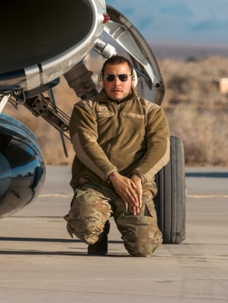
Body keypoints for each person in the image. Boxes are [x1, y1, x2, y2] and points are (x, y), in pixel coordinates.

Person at [64, 55, 170, 256]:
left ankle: (127, 221)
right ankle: (99, 231)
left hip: (134, 186)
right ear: (101, 80)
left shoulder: (151, 112)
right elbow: (85, 145)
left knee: (144, 248)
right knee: (87, 228)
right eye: (110, 78)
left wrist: (139, 177)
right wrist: (112, 175)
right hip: (97, 184)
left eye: (123, 77)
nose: (117, 83)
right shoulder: (86, 109)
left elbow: (160, 149)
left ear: (132, 80)